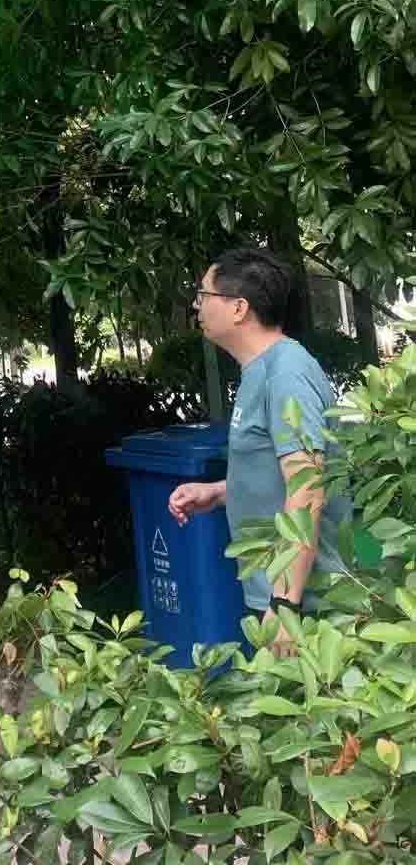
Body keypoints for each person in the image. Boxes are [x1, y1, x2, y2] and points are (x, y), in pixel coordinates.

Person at [168, 249, 350, 653]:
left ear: (238, 308)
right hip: (279, 596)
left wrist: (285, 602)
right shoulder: (259, 370)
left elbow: (307, 488)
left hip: (308, 606)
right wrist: (219, 492)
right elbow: (279, 473)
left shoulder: (286, 373)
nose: (197, 304)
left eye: (204, 294)